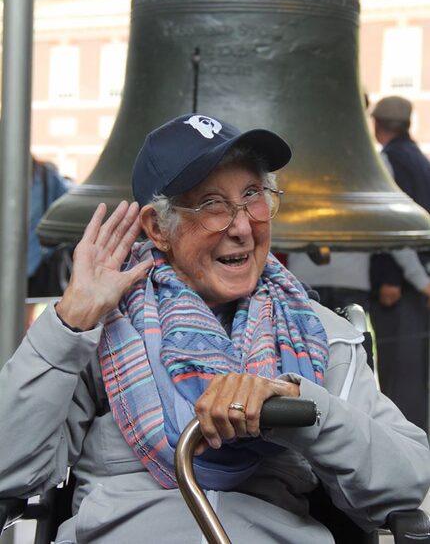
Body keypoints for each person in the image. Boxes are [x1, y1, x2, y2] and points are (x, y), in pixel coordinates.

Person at [0, 114, 429, 544]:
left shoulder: (317, 335)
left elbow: (408, 483)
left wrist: (301, 405)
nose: (241, 227)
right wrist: (68, 322)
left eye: (252, 196)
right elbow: (8, 470)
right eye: (211, 205)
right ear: (157, 228)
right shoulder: (102, 328)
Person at [370, 96, 430, 432]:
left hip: (402, 288)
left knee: (400, 379)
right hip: (419, 284)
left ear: (378, 125)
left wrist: (401, 278)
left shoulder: (388, 162)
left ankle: (407, 453)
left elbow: (393, 228)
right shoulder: (421, 161)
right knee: (414, 376)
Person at [26, 156, 70, 328]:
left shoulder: (47, 175)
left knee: (24, 319)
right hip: (30, 259)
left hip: (36, 261)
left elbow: (65, 207)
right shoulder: (46, 175)